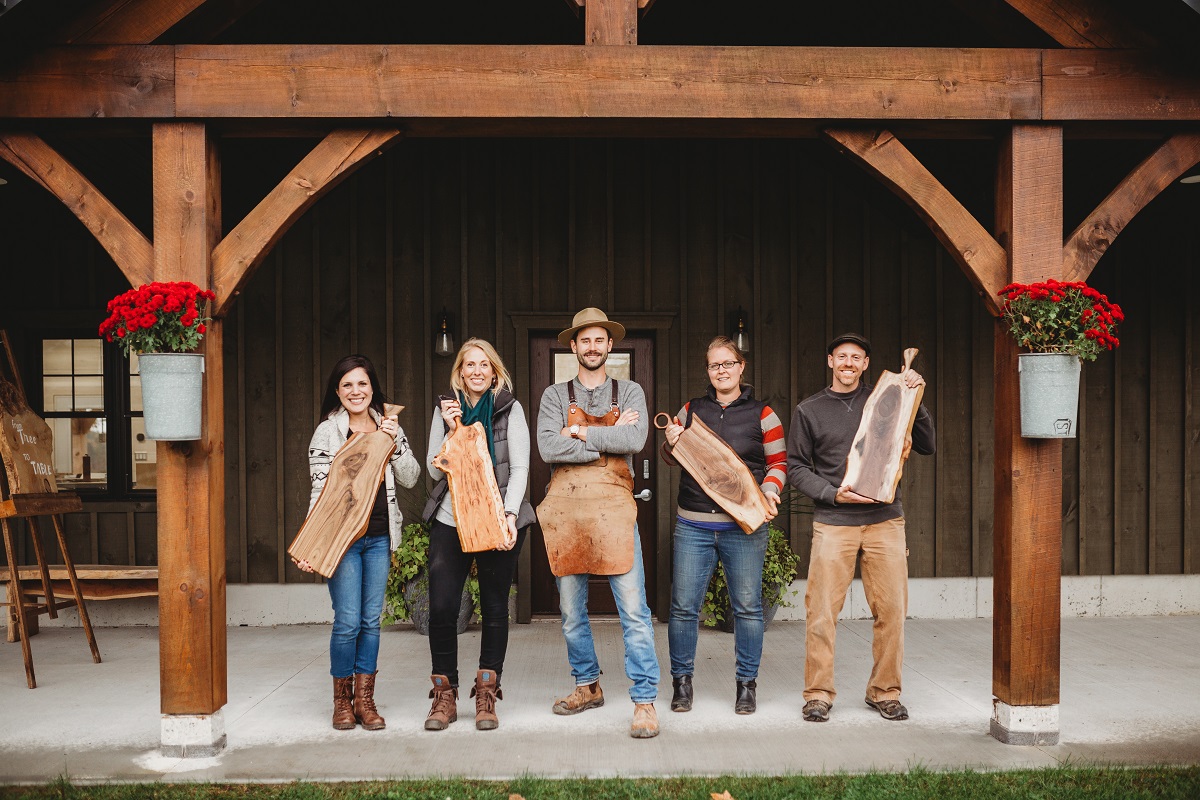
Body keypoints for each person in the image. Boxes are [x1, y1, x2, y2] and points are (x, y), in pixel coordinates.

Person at [786, 333, 934, 723]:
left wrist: (914, 400)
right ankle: (818, 693)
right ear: (830, 361)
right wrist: (833, 495)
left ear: (866, 364)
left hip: (885, 521)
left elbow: (927, 444)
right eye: (842, 356)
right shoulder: (809, 410)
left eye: (857, 357)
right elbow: (796, 468)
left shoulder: (889, 396)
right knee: (821, 612)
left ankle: (884, 691)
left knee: (892, 611)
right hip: (834, 523)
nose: (849, 363)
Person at [536, 307, 660, 739]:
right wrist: (602, 440)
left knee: (634, 612)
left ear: (610, 345)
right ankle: (586, 685)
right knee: (571, 612)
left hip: (614, 509)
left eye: (599, 340)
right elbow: (547, 448)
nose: (592, 347)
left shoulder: (630, 392)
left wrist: (580, 433)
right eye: (584, 340)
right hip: (566, 511)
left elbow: (635, 440)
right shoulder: (555, 395)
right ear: (573, 346)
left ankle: (644, 701)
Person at [660, 336, 786, 715]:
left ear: (741, 366)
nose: (721, 371)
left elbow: (779, 463)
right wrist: (670, 441)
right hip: (693, 525)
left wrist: (769, 491)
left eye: (727, 363)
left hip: (744, 527)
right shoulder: (690, 409)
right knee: (684, 608)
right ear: (708, 371)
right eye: (715, 365)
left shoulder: (764, 413)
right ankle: (682, 684)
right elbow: (672, 458)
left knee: (747, 608)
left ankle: (746, 685)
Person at [295, 354, 420, 731]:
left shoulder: (389, 426)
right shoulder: (327, 433)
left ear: (372, 388)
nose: (356, 391)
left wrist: (394, 440)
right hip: (343, 541)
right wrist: (311, 545)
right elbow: (320, 492)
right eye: (347, 385)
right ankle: (341, 702)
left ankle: (365, 701)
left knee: (370, 621)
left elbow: (412, 477)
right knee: (348, 622)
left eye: (362, 384)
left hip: (380, 537)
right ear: (338, 391)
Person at [421, 338, 535, 732]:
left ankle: (487, 693)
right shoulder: (445, 411)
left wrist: (508, 514)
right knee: (442, 609)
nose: (476, 371)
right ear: (459, 371)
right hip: (452, 520)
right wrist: (452, 427)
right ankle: (445, 696)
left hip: (497, 519)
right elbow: (435, 471)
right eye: (469, 365)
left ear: (494, 371)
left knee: (494, 608)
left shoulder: (510, 408)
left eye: (483, 364)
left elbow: (520, 468)